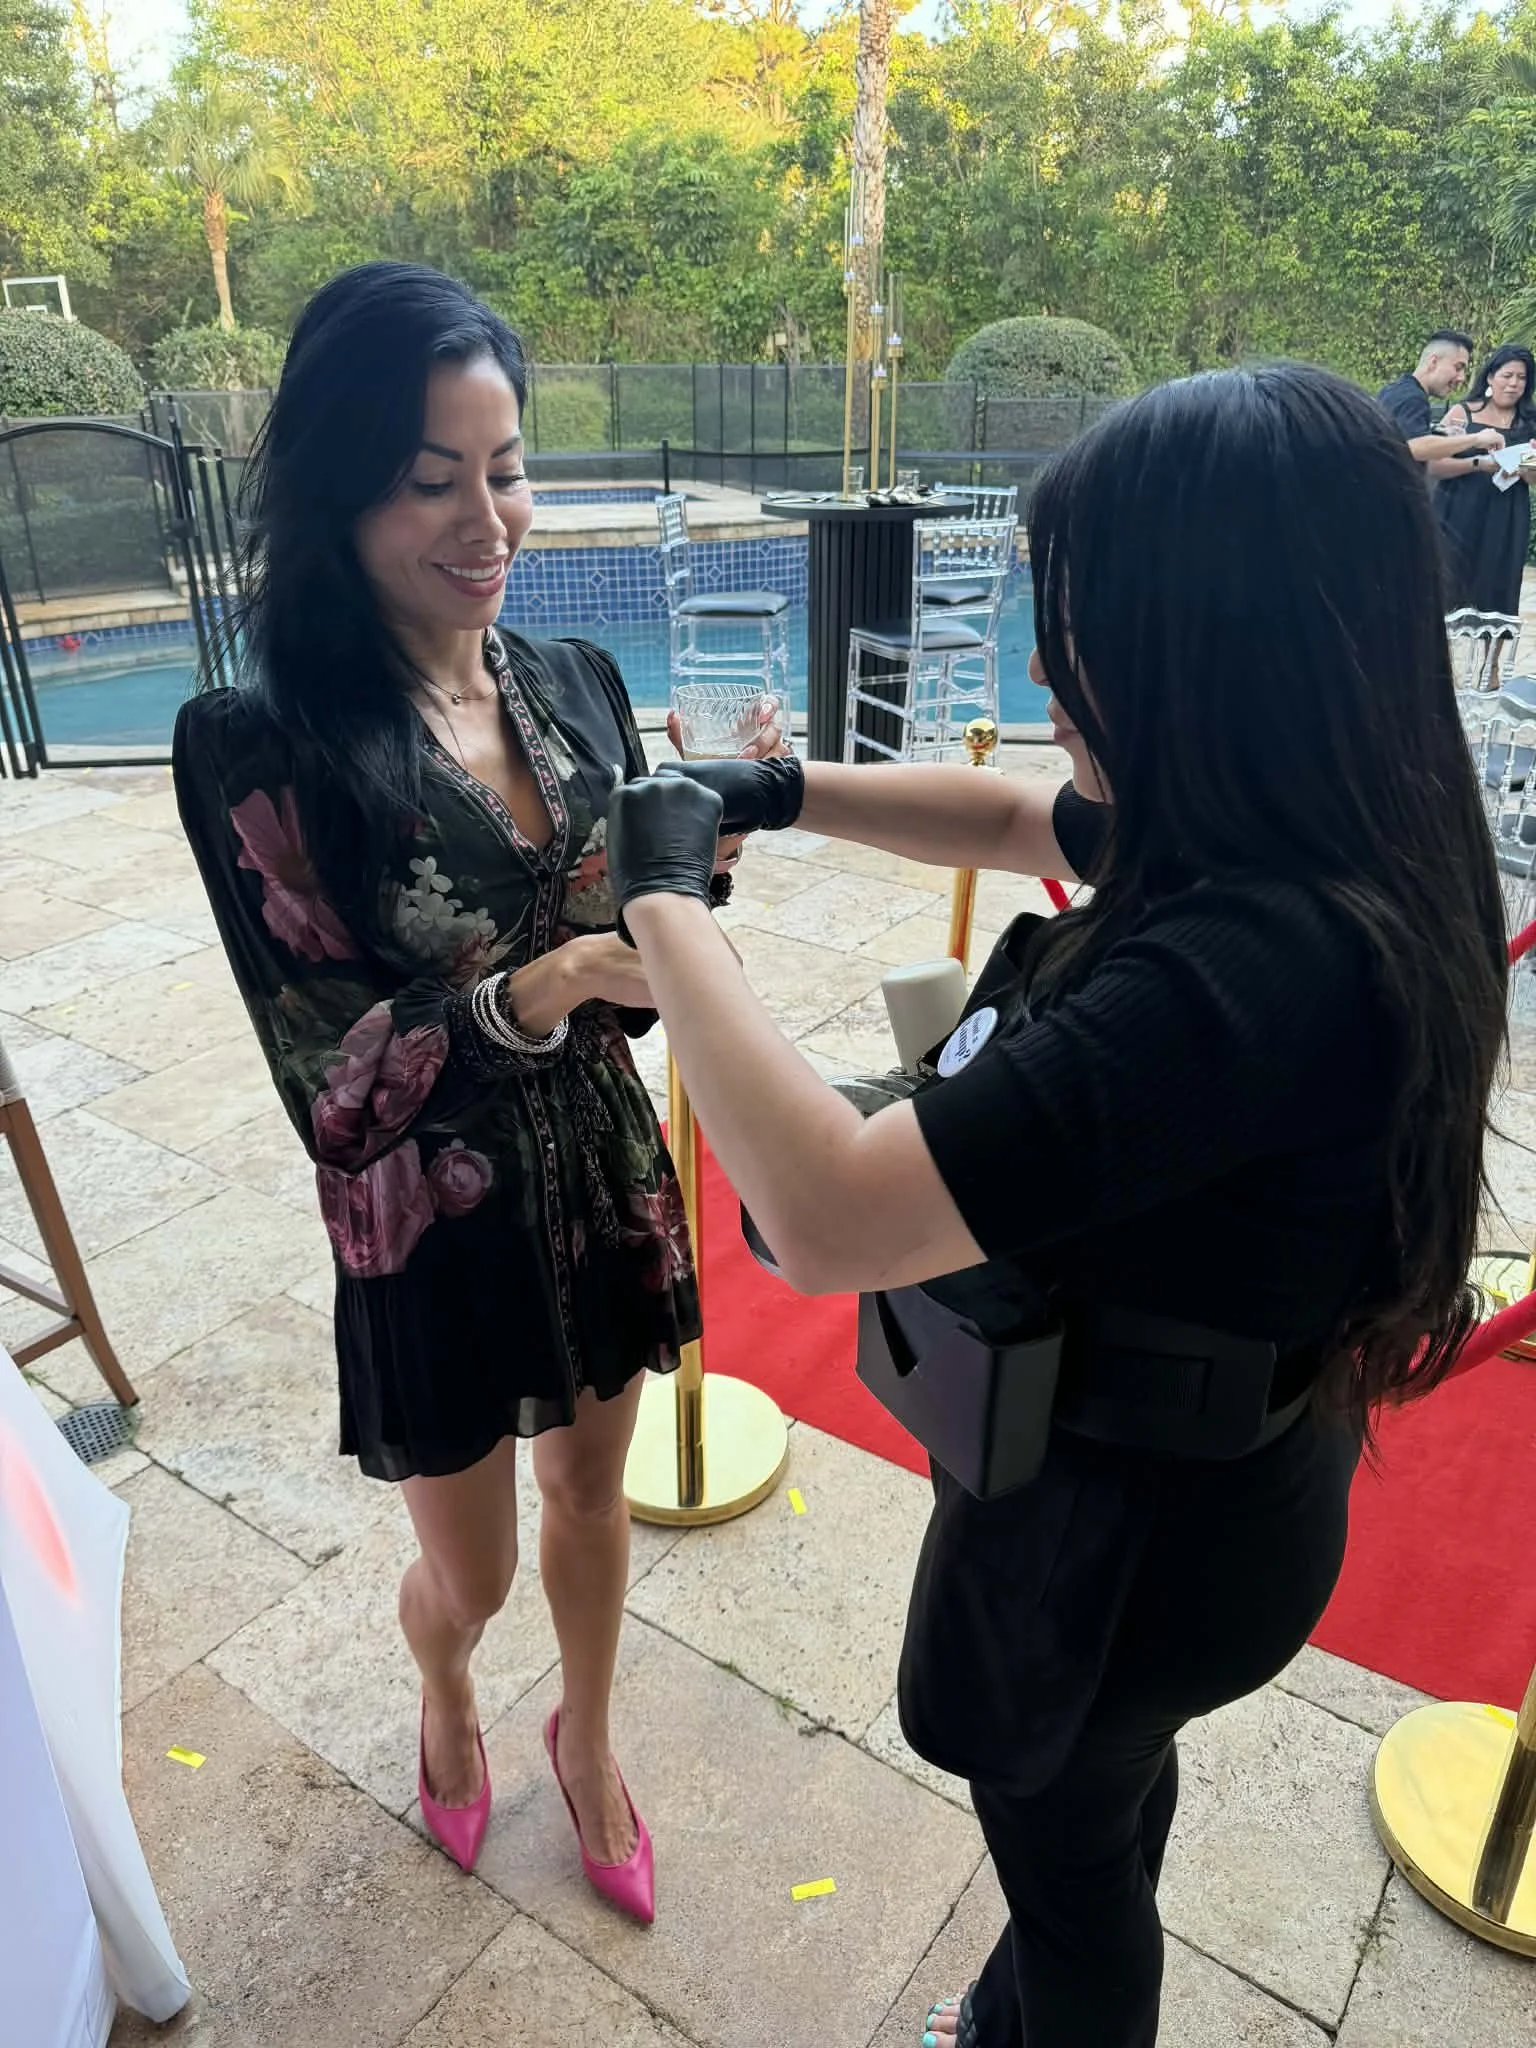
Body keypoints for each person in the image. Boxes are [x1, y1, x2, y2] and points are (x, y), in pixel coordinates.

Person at [598, 363, 1507, 2046]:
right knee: (1090, 1820)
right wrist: (775, 794)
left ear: (1203, 638)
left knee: (1070, 1871)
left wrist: (666, 909)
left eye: (1078, 627)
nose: (1036, 667)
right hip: (1221, 1480)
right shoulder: (1318, 814)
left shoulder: (1245, 971)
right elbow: (1028, 811)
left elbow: (831, 1214)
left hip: (1138, 1539)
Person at [172, 261, 774, 1913]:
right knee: (479, 1568)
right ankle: (446, 1675)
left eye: (503, 467)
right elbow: (336, 1086)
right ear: (337, 485)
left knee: (594, 1493)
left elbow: (620, 939)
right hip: (427, 1216)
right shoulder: (257, 740)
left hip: (597, 1163)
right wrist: (555, 978)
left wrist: (677, 887)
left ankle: (590, 1735)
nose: (485, 514)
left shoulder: (570, 677)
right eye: (433, 477)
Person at [1431, 343, 1536, 632]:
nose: (1514, 383)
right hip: (1457, 510)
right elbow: (1433, 464)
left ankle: (1491, 672)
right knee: (1446, 587)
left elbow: (1533, 479)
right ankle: (1440, 662)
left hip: (1507, 514)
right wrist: (1478, 463)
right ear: (1490, 377)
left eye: (1522, 378)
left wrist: (1529, 467)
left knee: (1500, 587)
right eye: (1507, 375)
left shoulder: (1530, 422)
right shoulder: (1460, 413)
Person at [1377, 329, 1505, 467]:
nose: (1461, 378)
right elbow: (1415, 447)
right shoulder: (1413, 398)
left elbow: (1397, 438)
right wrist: (1476, 439)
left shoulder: (1395, 389)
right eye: (1458, 367)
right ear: (1433, 362)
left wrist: (1438, 432)